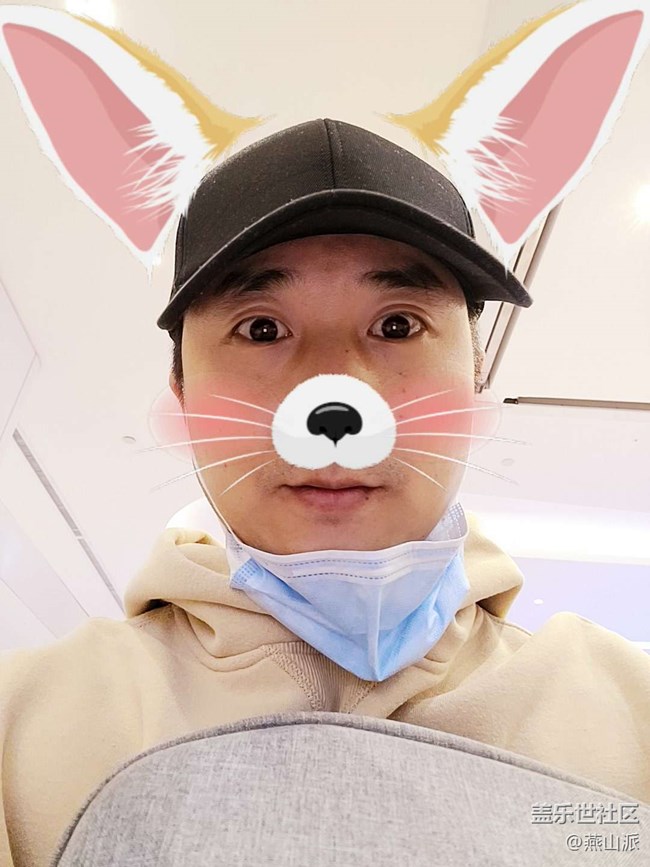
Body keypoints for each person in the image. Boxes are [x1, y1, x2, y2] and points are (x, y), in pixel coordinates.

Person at [1, 119, 648, 867]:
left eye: (398, 325)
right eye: (262, 329)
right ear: (182, 394)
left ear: (475, 380)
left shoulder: (629, 712)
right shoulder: (24, 730)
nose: (334, 396)